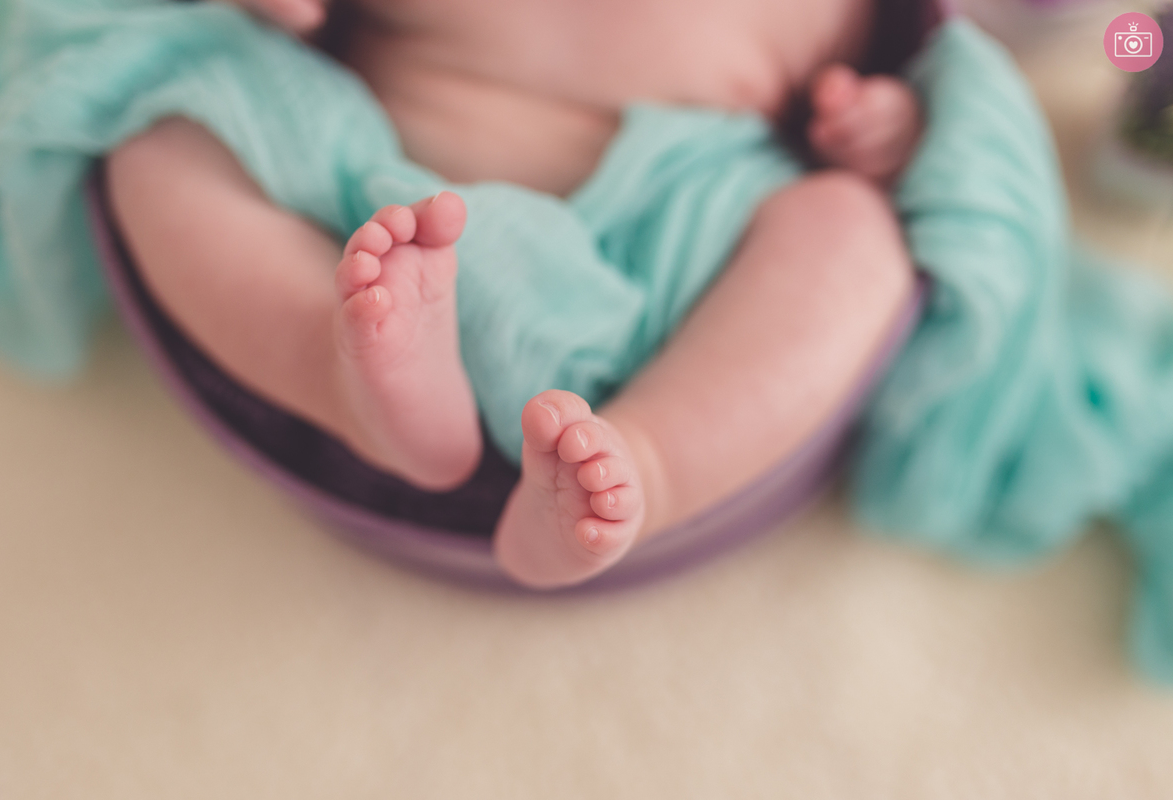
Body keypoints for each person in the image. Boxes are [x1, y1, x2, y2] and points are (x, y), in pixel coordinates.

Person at [104, 0, 923, 587]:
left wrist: (885, 130)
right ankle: (346, 378)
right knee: (163, 141)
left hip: (670, 255)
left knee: (852, 235)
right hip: (370, 208)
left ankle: (643, 462)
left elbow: (903, 63)